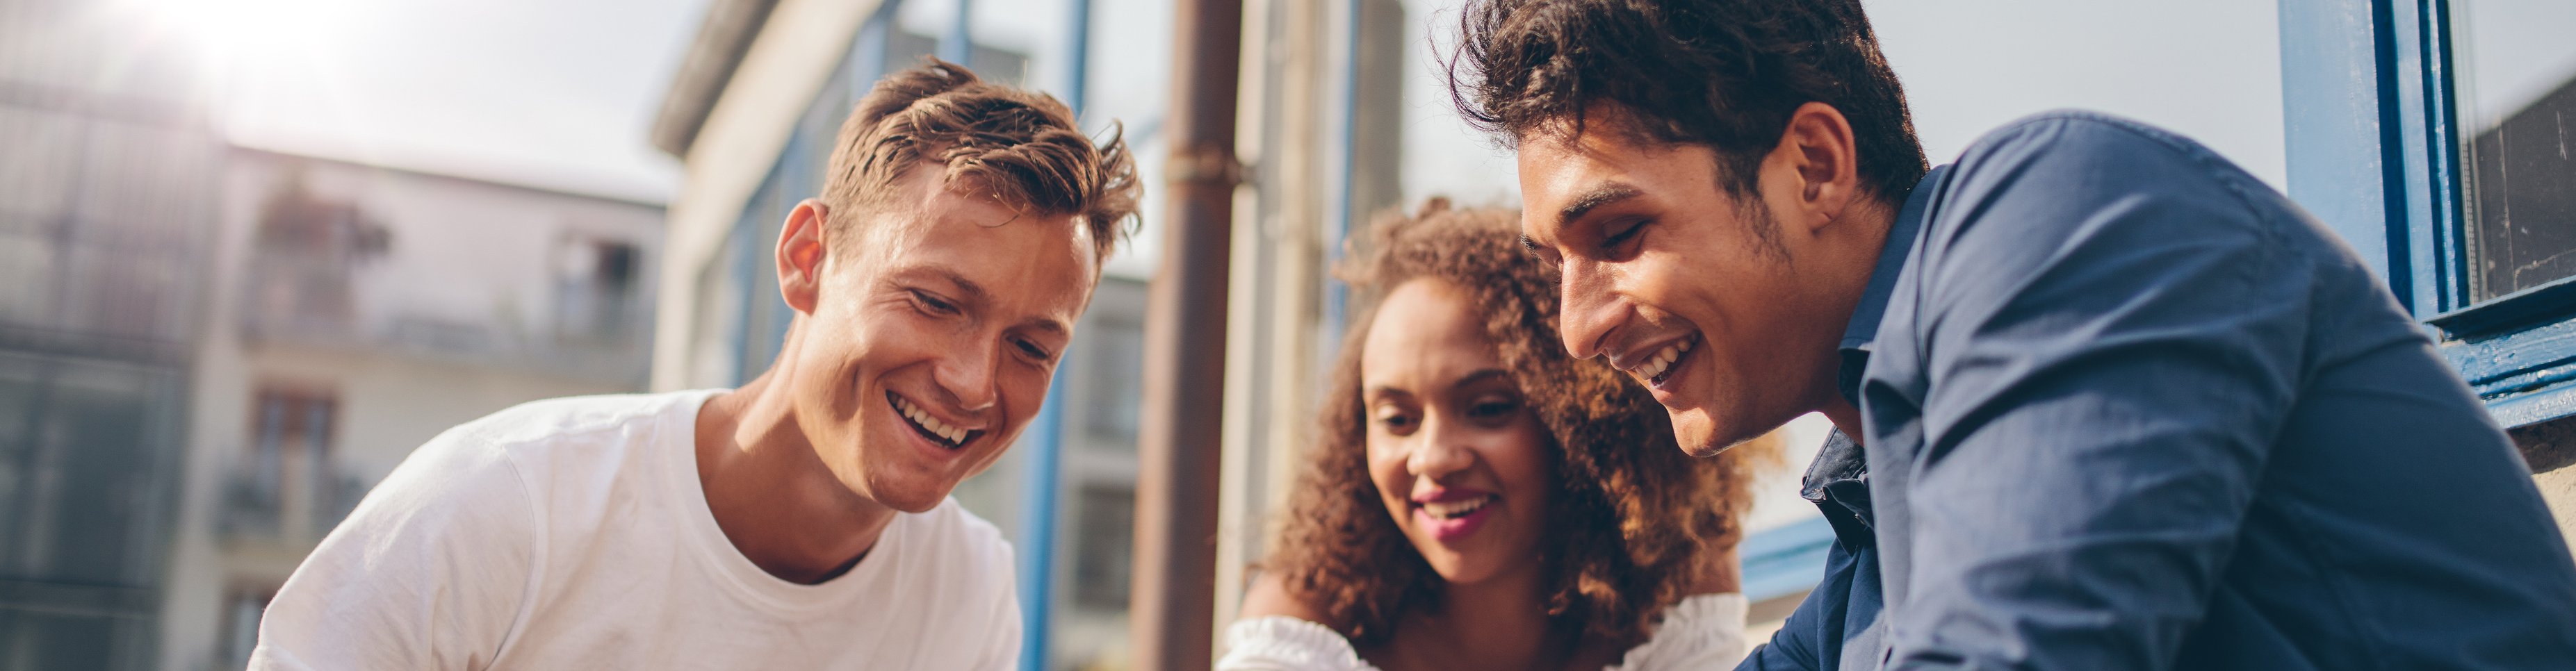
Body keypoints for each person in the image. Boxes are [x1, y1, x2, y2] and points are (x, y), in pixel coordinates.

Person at [1449, 1, 2576, 669]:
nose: (1577, 323)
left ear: (1812, 165)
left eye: (1616, 233)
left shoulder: (2057, 213)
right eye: (1557, 263)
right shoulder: (1873, 525)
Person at [250, 60, 1137, 670]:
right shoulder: (507, 503)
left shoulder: (968, 593)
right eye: (937, 303)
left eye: (1031, 347)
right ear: (807, 260)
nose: (976, 382)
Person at [1216, 201, 1764, 671]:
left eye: (1487, 408)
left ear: (1580, 421)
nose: (1433, 458)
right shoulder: (1302, 626)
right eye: (1397, 420)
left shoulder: (1678, 584)